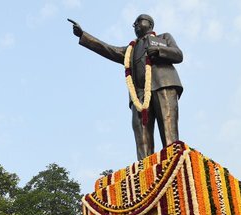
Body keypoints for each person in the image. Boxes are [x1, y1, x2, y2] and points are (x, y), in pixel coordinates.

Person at [71, 14, 183, 160]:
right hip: (139, 95)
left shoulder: (163, 37)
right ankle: (145, 171)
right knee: (142, 140)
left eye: (138, 21)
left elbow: (178, 55)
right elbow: (108, 49)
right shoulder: (131, 49)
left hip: (163, 85)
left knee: (169, 134)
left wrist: (160, 51)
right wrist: (84, 35)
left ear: (149, 24)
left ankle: (175, 165)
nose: (134, 25)